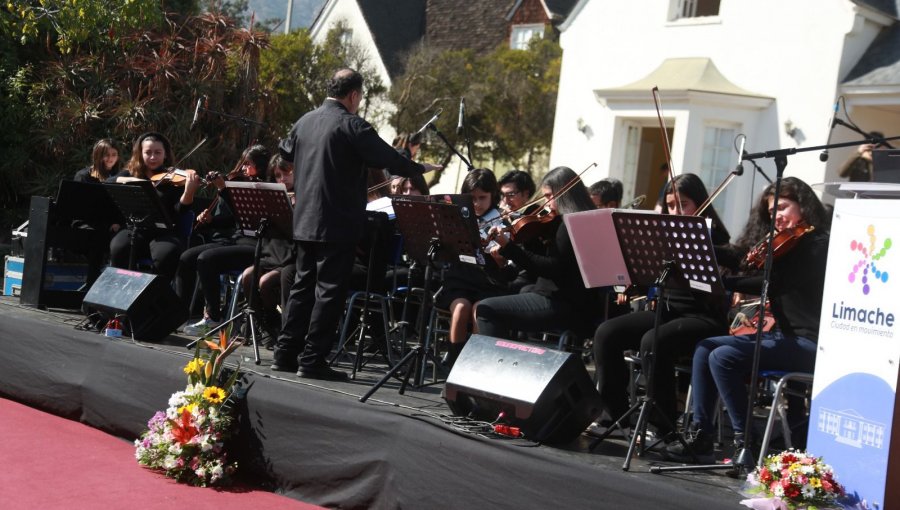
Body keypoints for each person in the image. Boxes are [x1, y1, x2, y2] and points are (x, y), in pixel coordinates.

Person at [273, 67, 441, 381]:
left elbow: (285, 151)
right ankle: (312, 359)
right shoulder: (352, 125)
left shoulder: (304, 121)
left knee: (301, 286)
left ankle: (284, 354)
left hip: (305, 218)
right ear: (354, 95)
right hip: (336, 222)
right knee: (328, 291)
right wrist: (420, 167)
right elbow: (388, 159)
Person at [665, 177, 830, 463]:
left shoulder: (817, 244)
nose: (777, 216)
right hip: (782, 337)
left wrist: (722, 283)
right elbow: (740, 254)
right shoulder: (782, 243)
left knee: (723, 357)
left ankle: (746, 442)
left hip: (810, 343)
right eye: (772, 212)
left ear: (803, 205)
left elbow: (774, 284)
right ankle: (701, 434)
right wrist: (696, 248)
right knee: (705, 348)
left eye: (783, 208)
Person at [591, 173, 731, 438]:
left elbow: (717, 292)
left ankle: (662, 425)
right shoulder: (663, 237)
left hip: (704, 318)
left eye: (684, 204)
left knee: (653, 341)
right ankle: (614, 416)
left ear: (700, 203)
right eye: (670, 205)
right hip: (668, 311)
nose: (676, 211)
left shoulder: (715, 241)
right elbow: (652, 277)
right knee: (607, 333)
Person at [475, 166, 602, 346]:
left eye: (550, 196)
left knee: (486, 309)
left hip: (562, 302)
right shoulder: (575, 221)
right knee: (515, 294)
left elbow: (554, 268)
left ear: (564, 193)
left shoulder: (568, 225)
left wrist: (510, 247)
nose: (547, 203)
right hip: (566, 299)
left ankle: (495, 365)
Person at [178, 145, 270, 336]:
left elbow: (245, 214)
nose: (243, 169)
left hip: (256, 246)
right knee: (187, 257)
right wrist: (211, 221)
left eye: (248, 165)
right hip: (235, 240)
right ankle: (178, 312)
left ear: (261, 167)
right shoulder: (241, 184)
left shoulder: (264, 188)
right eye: (243, 164)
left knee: (207, 259)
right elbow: (234, 219)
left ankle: (212, 317)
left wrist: (223, 189)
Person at [434, 168, 515, 366]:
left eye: (482, 198)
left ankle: (474, 363)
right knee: (461, 308)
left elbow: (509, 270)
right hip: (460, 280)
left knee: (481, 310)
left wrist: (499, 258)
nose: (477, 204)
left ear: (493, 196)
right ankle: (453, 359)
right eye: (472, 198)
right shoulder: (457, 217)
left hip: (489, 283)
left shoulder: (503, 221)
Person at [108, 132, 201, 282]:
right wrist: (137, 182)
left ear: (165, 155)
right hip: (136, 229)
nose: (152, 157)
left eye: (158, 152)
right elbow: (110, 181)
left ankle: (155, 297)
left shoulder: (174, 178)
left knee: (166, 254)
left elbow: (181, 211)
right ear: (140, 154)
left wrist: (189, 191)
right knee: (119, 247)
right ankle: (121, 292)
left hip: (164, 232)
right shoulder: (133, 173)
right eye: (148, 152)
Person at [238, 154, 296, 348]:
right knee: (247, 276)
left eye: (287, 174)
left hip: (291, 256)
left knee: (265, 282)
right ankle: (261, 323)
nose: (283, 180)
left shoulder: (305, 197)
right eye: (278, 176)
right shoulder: (273, 197)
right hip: (270, 253)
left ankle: (274, 324)